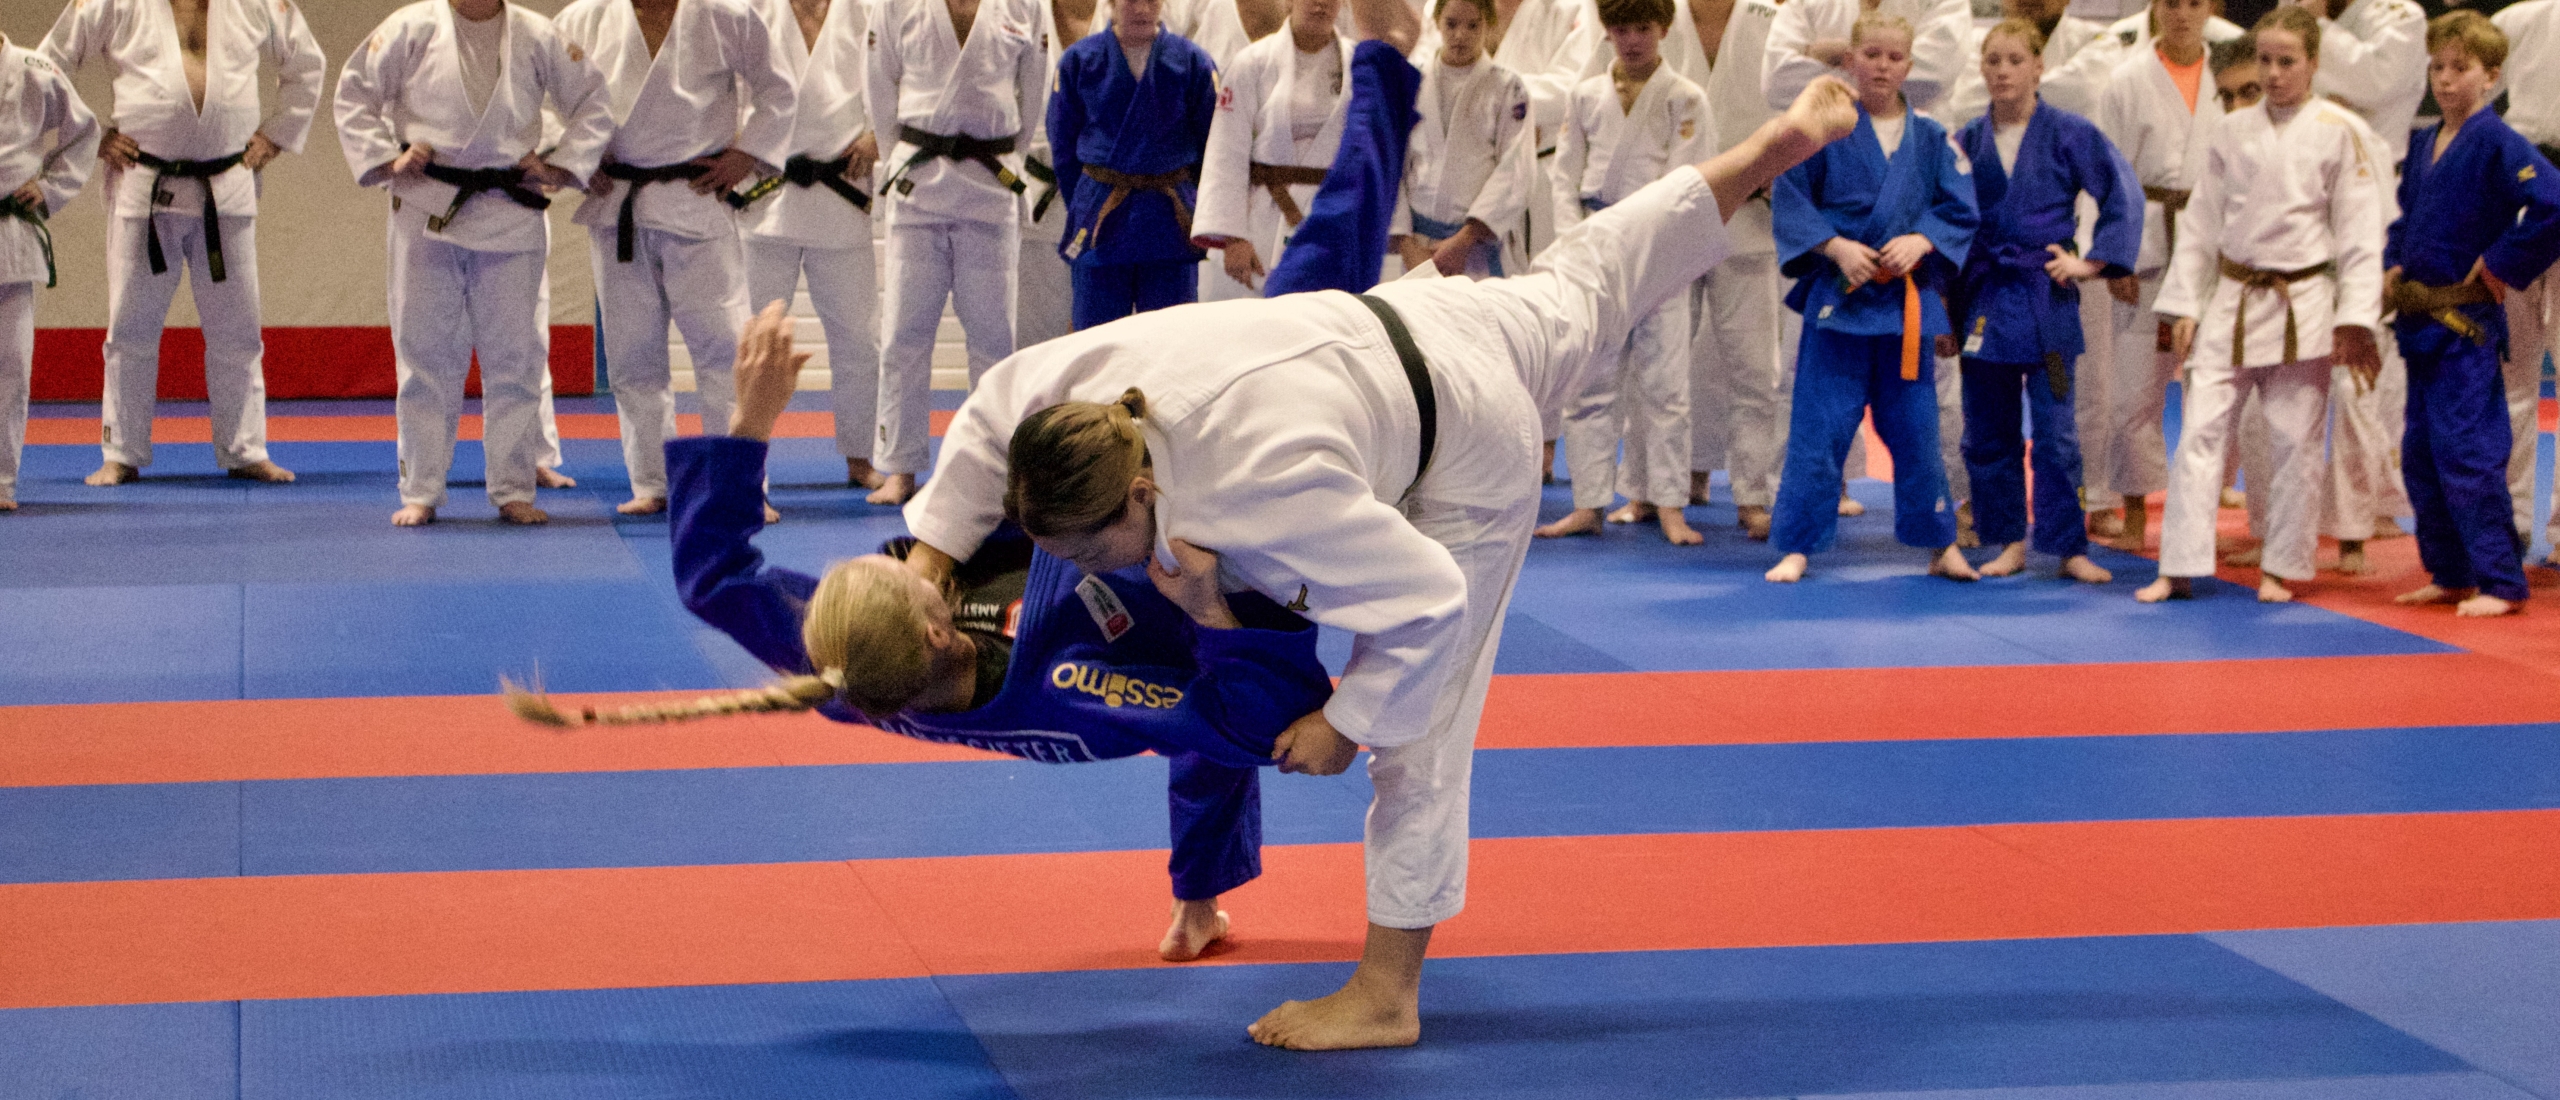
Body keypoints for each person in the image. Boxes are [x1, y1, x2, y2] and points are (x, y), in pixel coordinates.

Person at [897, 0, 1863, 1048]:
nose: (1086, 570)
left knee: (1422, 732)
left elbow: (1428, 601)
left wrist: (1347, 721)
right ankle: (1770, 147)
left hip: (1462, 446)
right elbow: (992, 405)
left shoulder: (1262, 494)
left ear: (1139, 497)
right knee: (1594, 269)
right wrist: (930, 557)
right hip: (1428, 311)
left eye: (1091, 551)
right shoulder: (1090, 386)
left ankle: (1387, 992)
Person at [509, 305, 1334, 962]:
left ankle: (1197, 907)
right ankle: (1198, 899)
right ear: (940, 630)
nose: (916, 561)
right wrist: (1210, 611)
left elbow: (713, 579)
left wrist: (750, 420)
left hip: (1084, 542)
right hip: (1195, 588)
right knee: (1209, 722)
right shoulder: (1078, 686)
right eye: (912, 577)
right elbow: (1241, 729)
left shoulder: (843, 661)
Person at [2136, 6, 2385, 603]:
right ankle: (2179, 564)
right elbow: (2201, 223)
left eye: (2286, 61)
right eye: (2266, 61)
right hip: (2231, 297)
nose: (2273, 74)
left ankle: (2283, 565)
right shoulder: (2231, 130)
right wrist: (2185, 304)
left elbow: (2359, 235)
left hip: (2303, 303)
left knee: (2294, 440)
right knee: (2199, 431)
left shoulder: (2339, 130)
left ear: (2313, 63)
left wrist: (2355, 319)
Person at [335, 0, 614, 528]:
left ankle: (513, 487)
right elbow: (354, 93)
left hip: (509, 209)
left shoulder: (538, 34)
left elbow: (594, 102)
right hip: (426, 203)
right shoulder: (412, 27)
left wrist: (560, 165)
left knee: (515, 357)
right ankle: (421, 488)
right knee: (423, 353)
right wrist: (387, 159)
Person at [42, 0, 324, 488]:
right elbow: (46, 67)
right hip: (144, 184)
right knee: (130, 327)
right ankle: (121, 451)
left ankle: (245, 448)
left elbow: (307, 63)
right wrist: (92, 136)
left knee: (238, 329)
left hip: (228, 184)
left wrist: (277, 135)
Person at [557, 0, 795, 517]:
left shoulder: (726, 14)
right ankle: (652, 482)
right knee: (632, 356)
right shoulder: (582, 18)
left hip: (696, 199)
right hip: (619, 204)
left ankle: (740, 487)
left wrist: (748, 153)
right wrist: (576, 157)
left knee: (724, 351)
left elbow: (779, 90)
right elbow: (539, 96)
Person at [1766, 11, 1981, 583]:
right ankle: (1797, 545)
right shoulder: (1823, 128)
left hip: (1904, 309)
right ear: (1850, 60)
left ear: (1909, 66)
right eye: (1872, 55)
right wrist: (1835, 246)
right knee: (1819, 428)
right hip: (1840, 302)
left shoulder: (1932, 136)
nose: (1883, 67)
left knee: (1918, 431)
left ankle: (1941, 543)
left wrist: (1921, 239)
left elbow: (1960, 208)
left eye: (1894, 57)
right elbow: (1790, 195)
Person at [2382, 11, 2560, 614]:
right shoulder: (2422, 141)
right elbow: (2404, 217)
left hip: (2467, 325)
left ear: (2492, 77)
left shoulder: (2499, 140)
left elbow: (2552, 204)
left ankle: (2501, 582)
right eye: (2438, 67)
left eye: (2461, 68)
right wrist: (2392, 264)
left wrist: (2501, 262)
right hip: (2419, 321)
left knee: (2468, 451)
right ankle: (2451, 571)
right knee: (2421, 454)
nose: (2445, 79)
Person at [1953, 18, 2143, 581]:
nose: (2003, 71)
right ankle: (2008, 540)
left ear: (2039, 67)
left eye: (2015, 60)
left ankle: (2069, 547)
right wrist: (1942, 305)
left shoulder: (2069, 133)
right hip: (1985, 296)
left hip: (2045, 298)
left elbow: (2121, 192)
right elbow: (1944, 219)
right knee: (1988, 430)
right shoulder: (1966, 141)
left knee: (2057, 433)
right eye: (1993, 61)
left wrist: (2092, 262)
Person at [1539, 0, 1716, 543]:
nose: (1632, 39)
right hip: (1595, 249)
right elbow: (1564, 178)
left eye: (1643, 28)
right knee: (1590, 383)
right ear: (1606, 31)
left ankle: (1669, 504)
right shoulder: (1585, 95)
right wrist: (1577, 242)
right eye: (1621, 29)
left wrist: (1643, 240)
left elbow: (1686, 182)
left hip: (1657, 248)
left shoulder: (1687, 96)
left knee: (1666, 384)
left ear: (1663, 29)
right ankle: (1588, 503)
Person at [866, 0, 1051, 505]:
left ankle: (992, 467)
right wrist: (899, 155)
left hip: (991, 185)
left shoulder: (1024, 5)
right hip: (919, 183)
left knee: (994, 338)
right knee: (903, 334)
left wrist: (1008, 152)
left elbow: (1033, 90)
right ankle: (900, 468)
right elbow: (879, 86)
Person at [2091, 0, 2228, 550]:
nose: (2182, 14)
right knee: (2133, 391)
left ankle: (2201, 516)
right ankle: (2133, 515)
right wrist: (2114, 252)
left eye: (2194, 3)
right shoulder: (2126, 79)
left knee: (2214, 390)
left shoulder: (2231, 74)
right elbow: (2106, 173)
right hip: (2146, 242)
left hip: (2213, 243)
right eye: (2171, 2)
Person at [740, 0, 888, 493]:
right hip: (767, 197)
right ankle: (748, 460)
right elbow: (719, 85)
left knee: (859, 340)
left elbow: (896, 78)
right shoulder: (753, 12)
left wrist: (879, 134)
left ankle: (861, 456)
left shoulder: (867, 12)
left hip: (840, 195)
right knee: (754, 341)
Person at [1051, 0, 1222, 329]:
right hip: (1102, 218)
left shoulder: (1192, 61)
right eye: (1131, 1)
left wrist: (1194, 203)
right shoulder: (1079, 60)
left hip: (1169, 222)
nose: (1142, 9)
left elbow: (1211, 147)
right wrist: (1087, 202)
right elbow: (1063, 149)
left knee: (1170, 338)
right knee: (1095, 340)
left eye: (1151, 1)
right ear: (1112, 3)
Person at [1194, 0, 1358, 300]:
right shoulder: (1252, 62)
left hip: (1331, 219)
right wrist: (1232, 236)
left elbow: (1370, 155)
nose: (1321, 4)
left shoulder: (1360, 66)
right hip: (1261, 220)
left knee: (1322, 317)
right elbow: (1226, 150)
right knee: (1250, 320)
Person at [0, 34, 98, 513]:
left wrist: (52, 188)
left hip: (9, 229)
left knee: (10, 364)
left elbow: (85, 131)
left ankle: (0, 480)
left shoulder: (33, 68)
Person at [1393, 0, 1536, 281]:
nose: (1461, 35)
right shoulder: (1409, 81)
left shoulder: (1509, 88)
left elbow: (1516, 170)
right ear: (1437, 21)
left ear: (1488, 25)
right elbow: (1391, 164)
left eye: (1473, 25)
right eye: (1451, 24)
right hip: (1419, 244)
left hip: (1478, 247)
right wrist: (1405, 243)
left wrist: (1467, 238)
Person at [2491, 0, 2559, 566]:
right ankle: (2509, 521)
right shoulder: (2521, 18)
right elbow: (2471, 99)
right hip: (2521, 195)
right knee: (2511, 375)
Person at [1764, 0, 1977, 113]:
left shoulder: (1945, 3)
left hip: (1915, 147)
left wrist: (1838, 56)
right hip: (1819, 151)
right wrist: (1883, 77)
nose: (1881, 66)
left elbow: (1931, 81)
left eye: (1894, 58)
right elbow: (1778, 84)